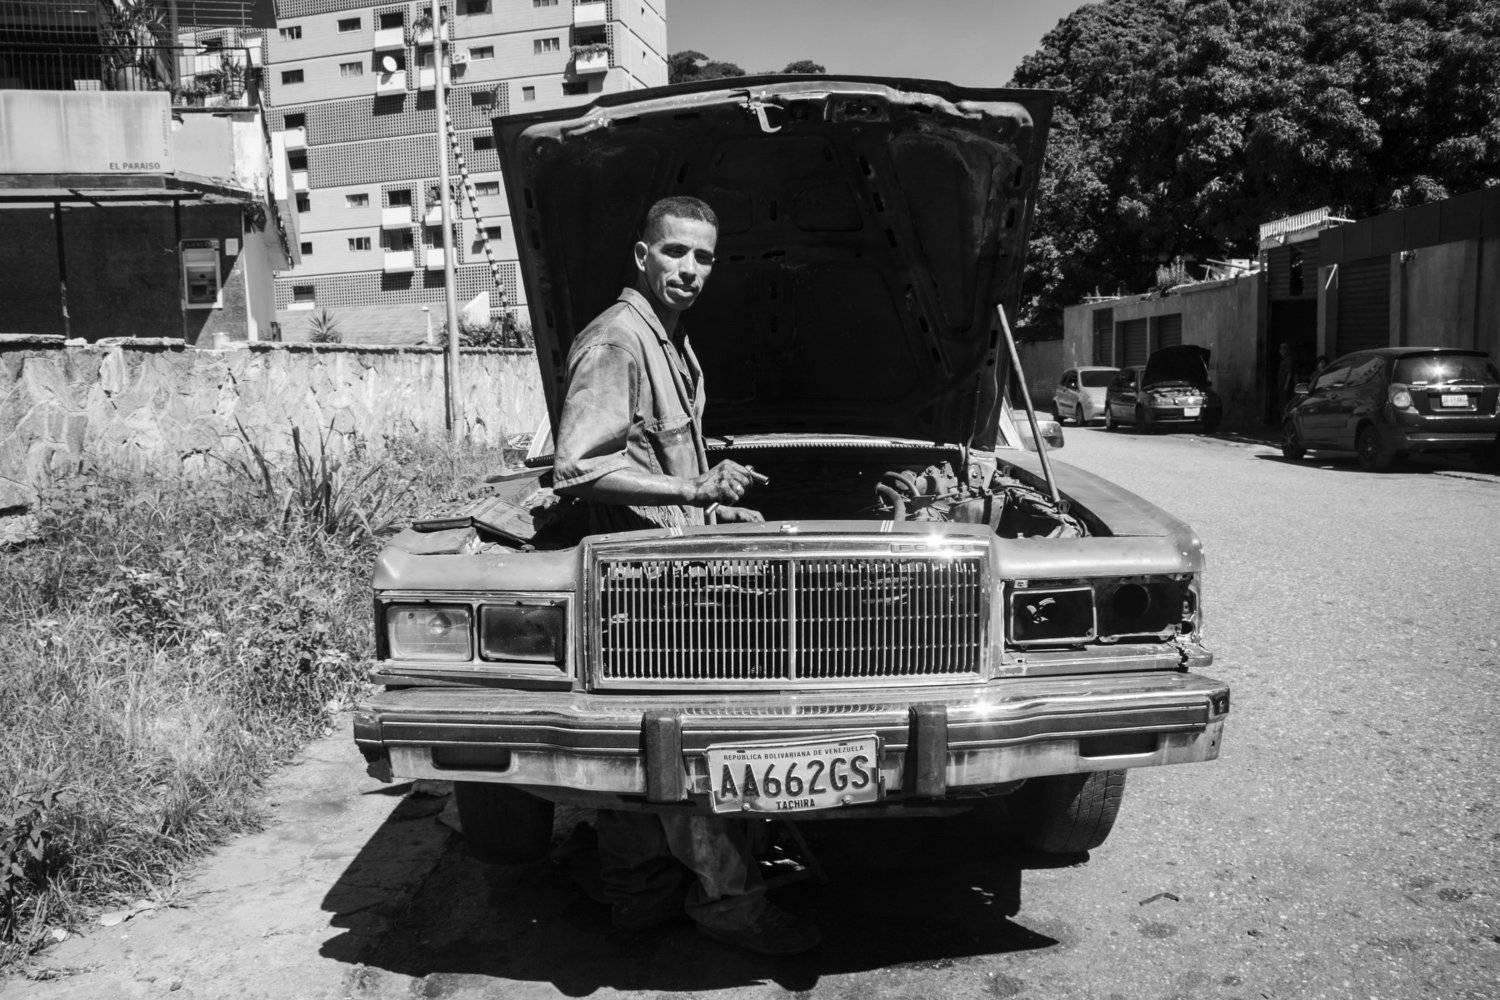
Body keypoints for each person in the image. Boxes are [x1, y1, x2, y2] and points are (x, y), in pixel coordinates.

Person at [550, 195, 822, 956]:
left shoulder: (671, 341)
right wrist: (693, 491)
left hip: (670, 568)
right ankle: (730, 905)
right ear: (643, 256)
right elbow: (578, 468)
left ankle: (637, 895)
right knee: (689, 750)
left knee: (649, 750)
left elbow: (655, 455)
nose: (692, 269)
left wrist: (710, 508)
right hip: (642, 589)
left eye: (704, 256)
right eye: (675, 251)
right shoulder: (618, 340)